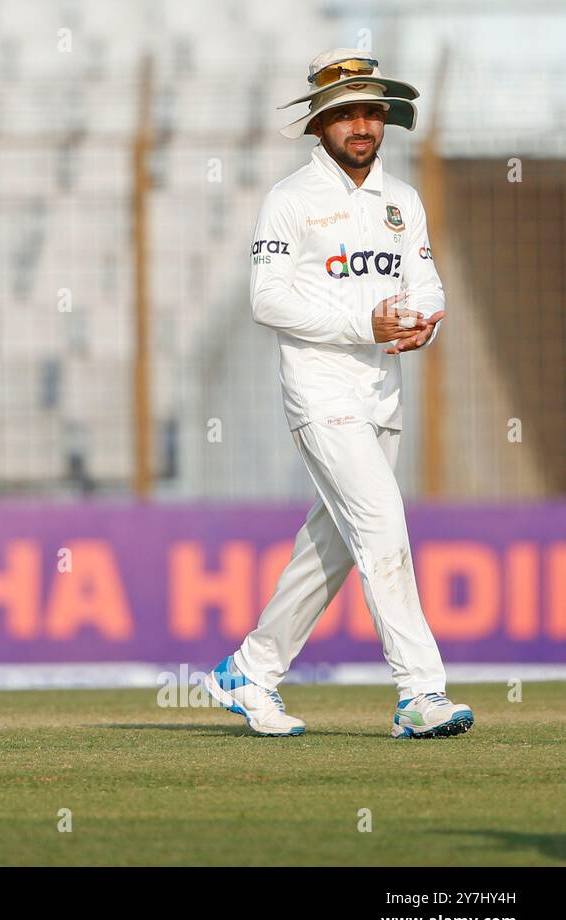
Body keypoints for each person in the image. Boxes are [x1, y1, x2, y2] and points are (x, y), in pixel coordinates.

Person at [203, 50, 475, 739]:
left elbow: (426, 282)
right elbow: (267, 301)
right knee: (382, 522)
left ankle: (250, 670)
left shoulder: (401, 201)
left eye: (372, 111)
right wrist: (364, 323)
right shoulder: (291, 200)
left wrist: (424, 324)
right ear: (319, 123)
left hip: (384, 393)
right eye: (346, 113)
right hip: (321, 392)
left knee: (331, 548)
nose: (362, 125)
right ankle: (421, 693)